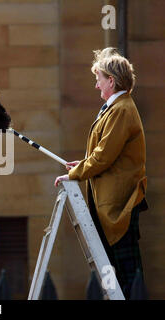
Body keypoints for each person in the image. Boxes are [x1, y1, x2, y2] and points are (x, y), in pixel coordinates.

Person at [54, 48, 148, 299]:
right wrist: (82, 164)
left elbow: (104, 156)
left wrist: (75, 174)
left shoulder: (121, 110)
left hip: (119, 205)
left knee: (126, 280)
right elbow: (104, 154)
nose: (96, 85)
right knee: (115, 278)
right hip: (111, 204)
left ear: (111, 81)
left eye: (99, 79)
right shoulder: (117, 108)